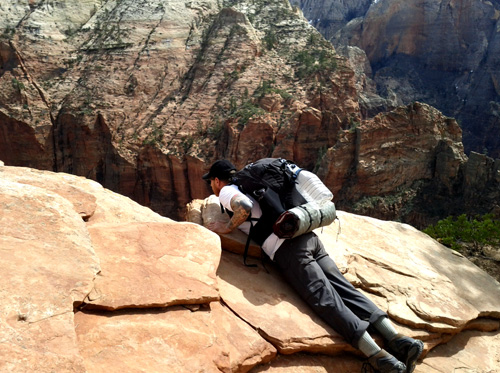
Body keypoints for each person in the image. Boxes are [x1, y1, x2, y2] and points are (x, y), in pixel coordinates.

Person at [202, 159, 424, 373]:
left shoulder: (226, 191)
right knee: (344, 288)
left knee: (326, 300)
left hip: (288, 249)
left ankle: (379, 358)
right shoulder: (255, 181)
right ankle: (399, 340)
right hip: (308, 236)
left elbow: (244, 206)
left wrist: (227, 228)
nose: (211, 186)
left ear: (217, 180)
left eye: (210, 182)